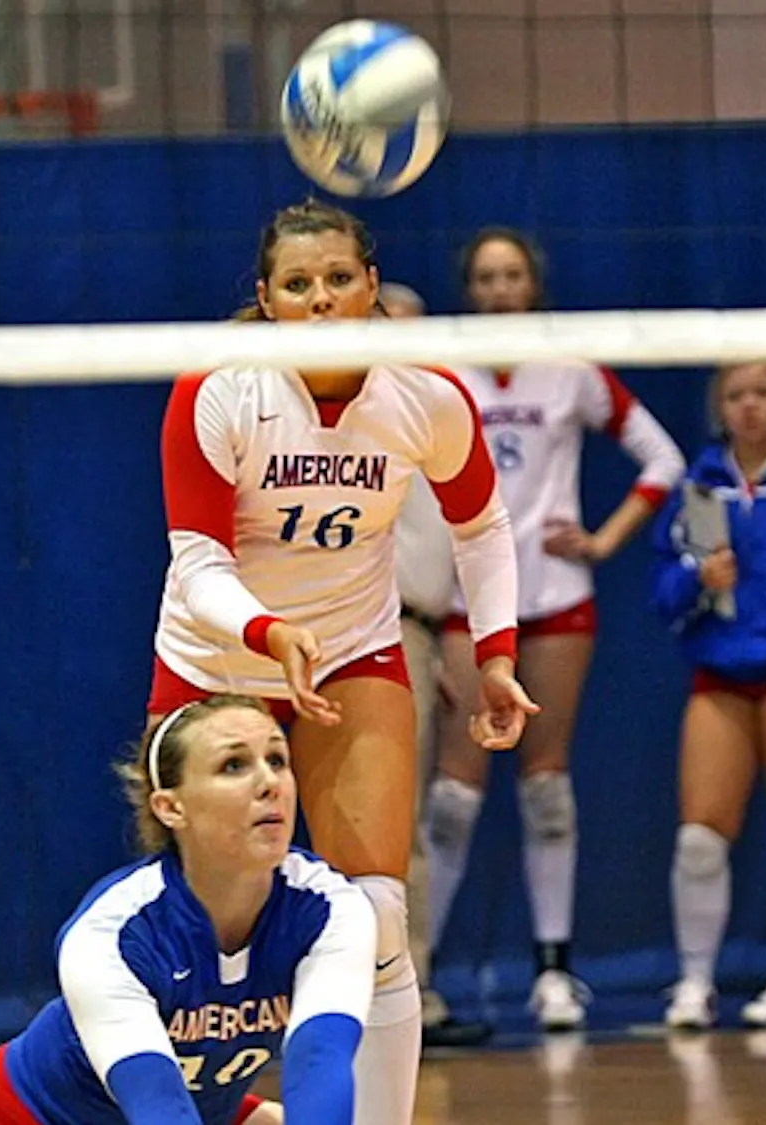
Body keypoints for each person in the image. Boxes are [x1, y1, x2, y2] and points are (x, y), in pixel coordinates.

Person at [149, 201, 537, 1125]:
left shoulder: (426, 393)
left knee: (377, 916)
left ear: (372, 285)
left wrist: (497, 652)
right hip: (216, 661)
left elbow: (481, 524)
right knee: (194, 939)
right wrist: (267, 636)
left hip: (351, 652)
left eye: (336, 278)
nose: (320, 299)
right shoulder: (218, 386)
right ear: (267, 299)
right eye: (297, 284)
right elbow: (197, 561)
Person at [423, 227, 686, 1031]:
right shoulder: (440, 370)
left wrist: (602, 540)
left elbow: (662, 458)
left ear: (533, 283)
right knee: (452, 799)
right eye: (486, 276)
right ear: (469, 287)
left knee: (546, 787)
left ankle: (554, 974)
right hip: (470, 602)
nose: (501, 289)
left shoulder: (570, 366)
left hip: (559, 599)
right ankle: (416, 972)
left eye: (513, 275)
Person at [0, 694, 377, 1125]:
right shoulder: (114, 934)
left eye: (277, 759)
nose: (270, 783)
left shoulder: (331, 909)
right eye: (234, 765)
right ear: (171, 807)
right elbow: (156, 1105)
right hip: (33, 1114)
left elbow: (319, 1064)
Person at [653, 362, 766, 1030]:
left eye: (763, 392)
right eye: (736, 395)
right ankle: (695, 983)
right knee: (700, 838)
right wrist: (699, 576)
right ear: (719, 407)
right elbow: (665, 590)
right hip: (723, 669)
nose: (750, 406)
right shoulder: (703, 488)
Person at [378, 281, 491, 1050]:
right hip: (311, 631)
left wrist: (438, 643)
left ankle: (408, 995)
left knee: (398, 825)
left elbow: (469, 539)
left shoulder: (442, 422)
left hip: (407, 638)